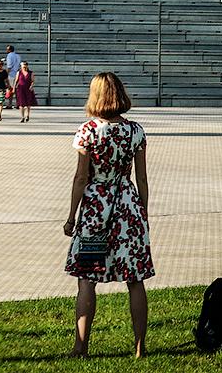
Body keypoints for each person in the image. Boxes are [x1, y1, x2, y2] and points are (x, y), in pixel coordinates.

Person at [64, 72, 153, 359]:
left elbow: (80, 178)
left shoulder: (88, 131)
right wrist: (144, 211)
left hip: (94, 210)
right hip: (128, 207)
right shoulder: (135, 131)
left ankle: (81, 346)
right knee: (135, 278)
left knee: (87, 278)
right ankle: (140, 346)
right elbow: (142, 179)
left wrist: (71, 216)